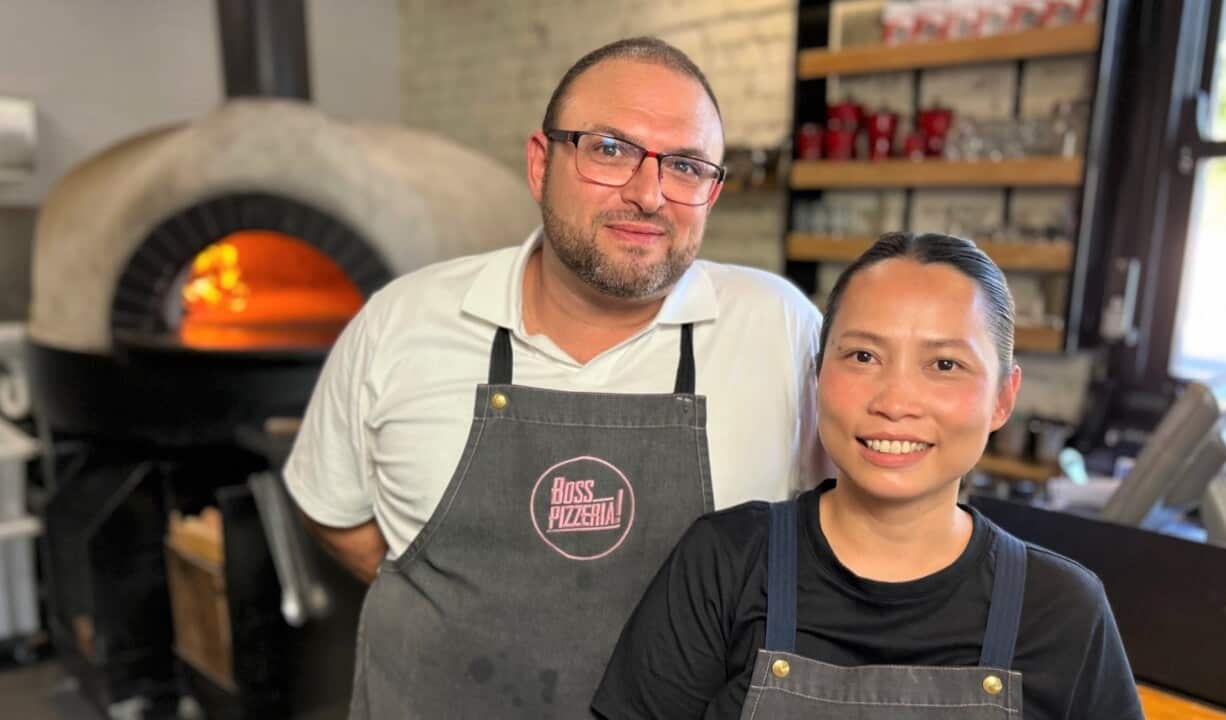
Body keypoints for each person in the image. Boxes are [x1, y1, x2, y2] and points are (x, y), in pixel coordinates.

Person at [283, 37, 827, 718]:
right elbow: (330, 505)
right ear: (540, 164)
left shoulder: (779, 329)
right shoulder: (403, 322)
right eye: (608, 150)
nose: (648, 194)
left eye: (685, 165)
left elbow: (845, 531)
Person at [593, 232, 1146, 720]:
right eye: (862, 356)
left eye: (945, 365)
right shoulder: (725, 563)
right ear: (817, 374)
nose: (895, 401)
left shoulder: (1063, 609)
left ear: (1003, 399)